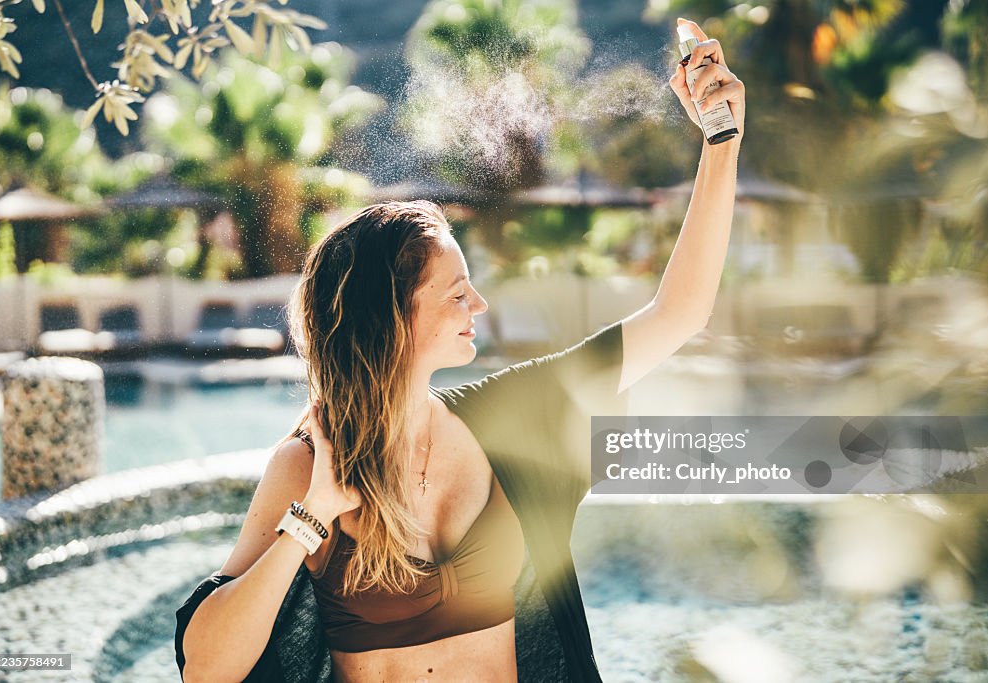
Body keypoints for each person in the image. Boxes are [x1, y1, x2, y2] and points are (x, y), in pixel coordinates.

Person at [175, 17, 744, 683]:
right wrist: (311, 519)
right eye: (455, 293)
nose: (478, 306)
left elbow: (678, 314)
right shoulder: (310, 465)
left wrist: (722, 142)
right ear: (393, 317)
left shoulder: (515, 414)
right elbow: (206, 669)